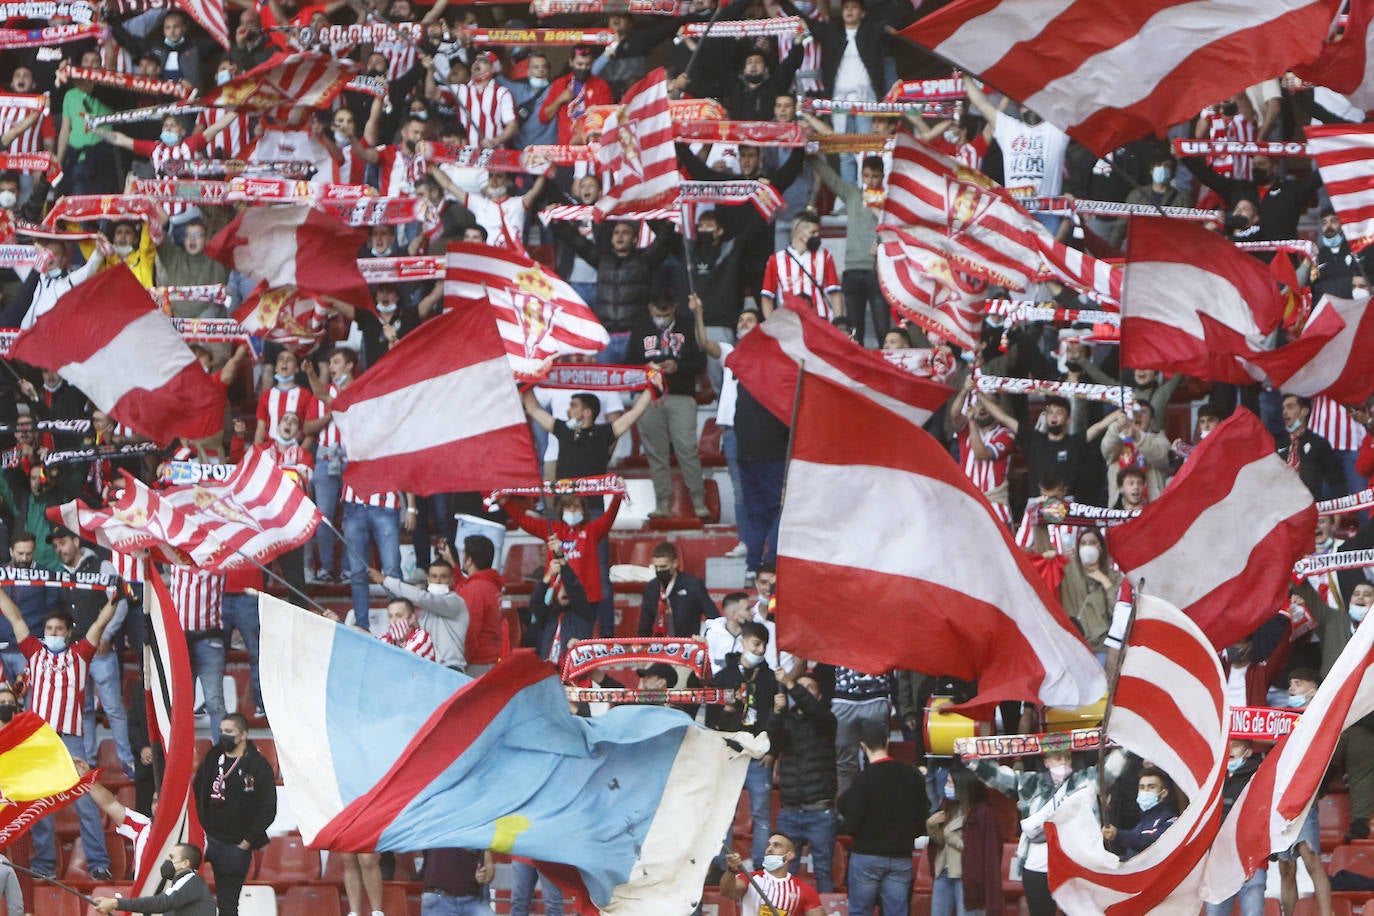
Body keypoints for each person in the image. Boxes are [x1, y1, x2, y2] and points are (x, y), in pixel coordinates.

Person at [1, 587, 118, 881]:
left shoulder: (81, 654)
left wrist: (115, 599)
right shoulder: (33, 651)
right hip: (38, 740)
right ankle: (44, 864)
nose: (52, 632)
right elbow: (14, 616)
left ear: (68, 633)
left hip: (69, 738)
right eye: (49, 628)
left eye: (58, 629)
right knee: (40, 802)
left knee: (85, 802)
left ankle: (98, 864)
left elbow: (99, 625)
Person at [838, 718, 928, 916]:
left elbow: (851, 825)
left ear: (863, 746)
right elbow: (923, 819)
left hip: (866, 857)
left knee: (860, 912)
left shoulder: (862, 780)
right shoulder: (912, 775)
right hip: (900, 857)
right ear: (887, 741)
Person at [192, 713, 277, 916]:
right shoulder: (213, 756)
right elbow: (196, 789)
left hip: (235, 845)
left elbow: (268, 809)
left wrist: (246, 842)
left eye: (229, 732)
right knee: (186, 895)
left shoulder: (257, 765)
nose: (223, 736)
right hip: (206, 839)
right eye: (221, 731)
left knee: (228, 904)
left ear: (243, 735)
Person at [769, 669, 838, 893]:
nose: (803, 692)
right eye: (801, 687)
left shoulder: (826, 720)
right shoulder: (787, 720)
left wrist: (791, 683)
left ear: (819, 696)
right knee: (783, 875)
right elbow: (772, 744)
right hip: (790, 811)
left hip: (820, 811)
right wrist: (777, 714)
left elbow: (814, 711)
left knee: (823, 873)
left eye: (810, 688)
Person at [92, 844, 215, 915]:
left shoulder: (191, 880)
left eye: (171, 857)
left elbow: (161, 902)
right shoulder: (187, 884)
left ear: (185, 863)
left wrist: (116, 903)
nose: (167, 861)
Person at [719, 836, 825, 916]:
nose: (769, 849)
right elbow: (726, 891)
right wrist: (732, 870)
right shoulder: (750, 878)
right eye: (768, 845)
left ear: (789, 855)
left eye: (776, 845)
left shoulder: (804, 890)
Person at [637, 542, 718, 637]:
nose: (659, 571)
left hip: (688, 645)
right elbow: (644, 625)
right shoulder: (651, 587)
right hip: (659, 646)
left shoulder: (693, 585)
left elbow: (714, 618)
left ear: (675, 563)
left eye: (663, 567)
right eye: (656, 567)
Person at [1101, 766, 1178, 860]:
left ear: (1163, 793)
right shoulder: (1140, 825)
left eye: (1151, 787)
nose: (1145, 791)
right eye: (1142, 787)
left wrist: (1118, 835)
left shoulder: (1170, 820)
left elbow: (1150, 842)